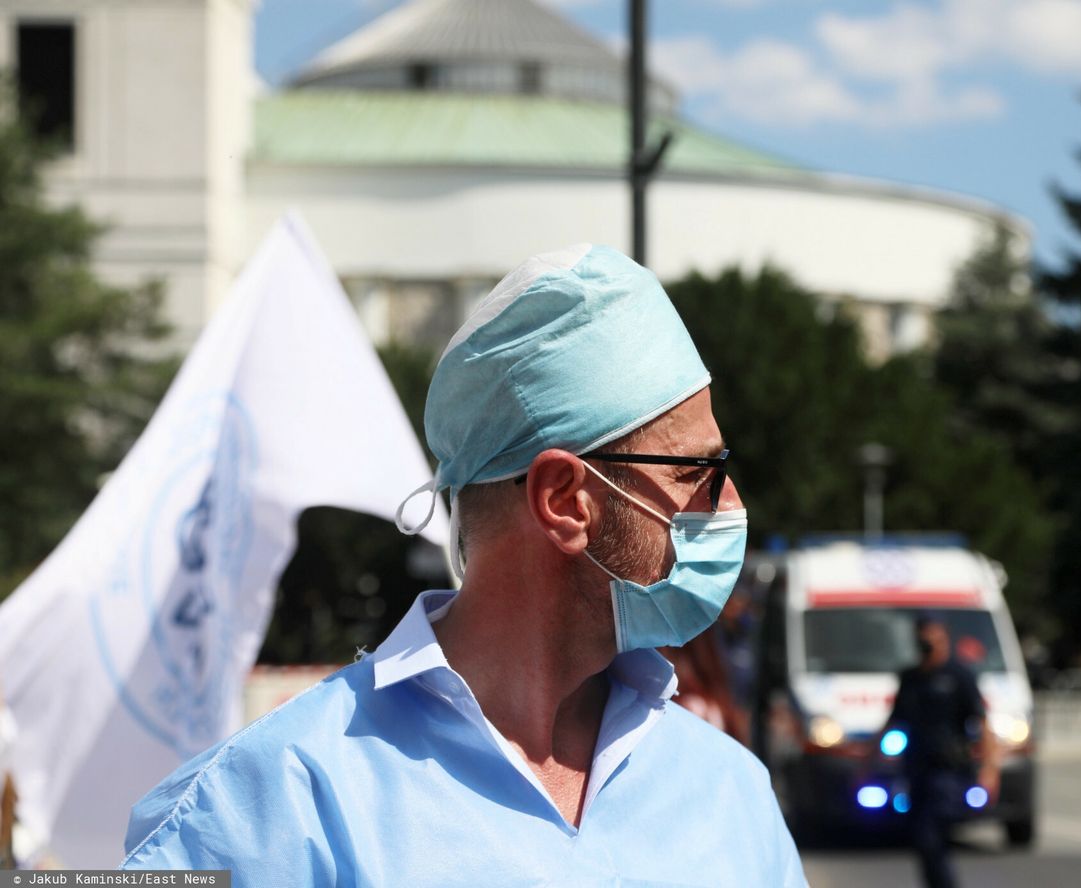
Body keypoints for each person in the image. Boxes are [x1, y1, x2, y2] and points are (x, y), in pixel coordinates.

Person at [121, 244, 807, 886]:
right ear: (565, 500)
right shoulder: (276, 800)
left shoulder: (728, 792)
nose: (729, 503)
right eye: (698, 470)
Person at [881, 615, 999, 888]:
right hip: (916, 770)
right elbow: (893, 721)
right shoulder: (911, 678)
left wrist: (990, 769)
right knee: (922, 839)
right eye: (924, 638)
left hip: (949, 771)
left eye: (934, 638)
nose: (929, 644)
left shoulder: (959, 676)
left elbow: (982, 723)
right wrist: (868, 758)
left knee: (930, 834)